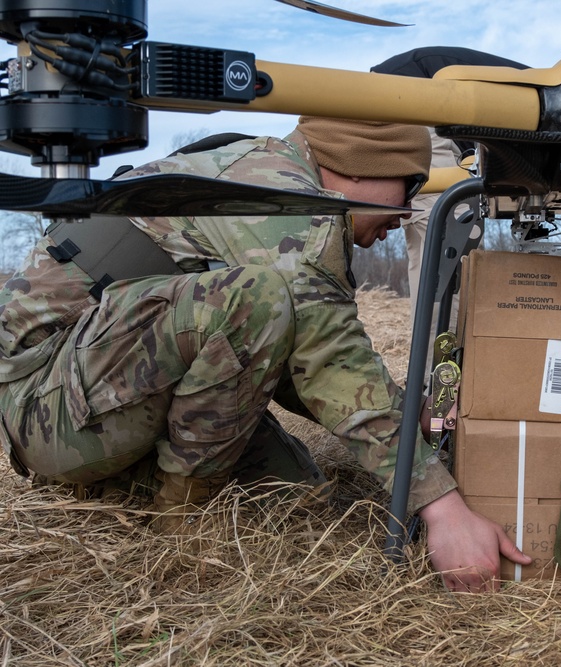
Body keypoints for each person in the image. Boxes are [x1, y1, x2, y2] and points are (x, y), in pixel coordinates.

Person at [0, 116, 531, 593]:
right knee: (253, 299)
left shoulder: (281, 184)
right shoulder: (287, 204)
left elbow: (304, 358)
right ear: (362, 164)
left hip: (98, 392)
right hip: (44, 409)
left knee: (295, 498)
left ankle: (124, 479)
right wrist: (442, 507)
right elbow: (331, 363)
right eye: (409, 185)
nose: (407, 210)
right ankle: (181, 528)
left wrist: (413, 416)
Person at [370, 47, 527, 317]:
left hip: (407, 100)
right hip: (414, 94)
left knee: (429, 248)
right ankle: (450, 350)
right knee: (453, 234)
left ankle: (432, 352)